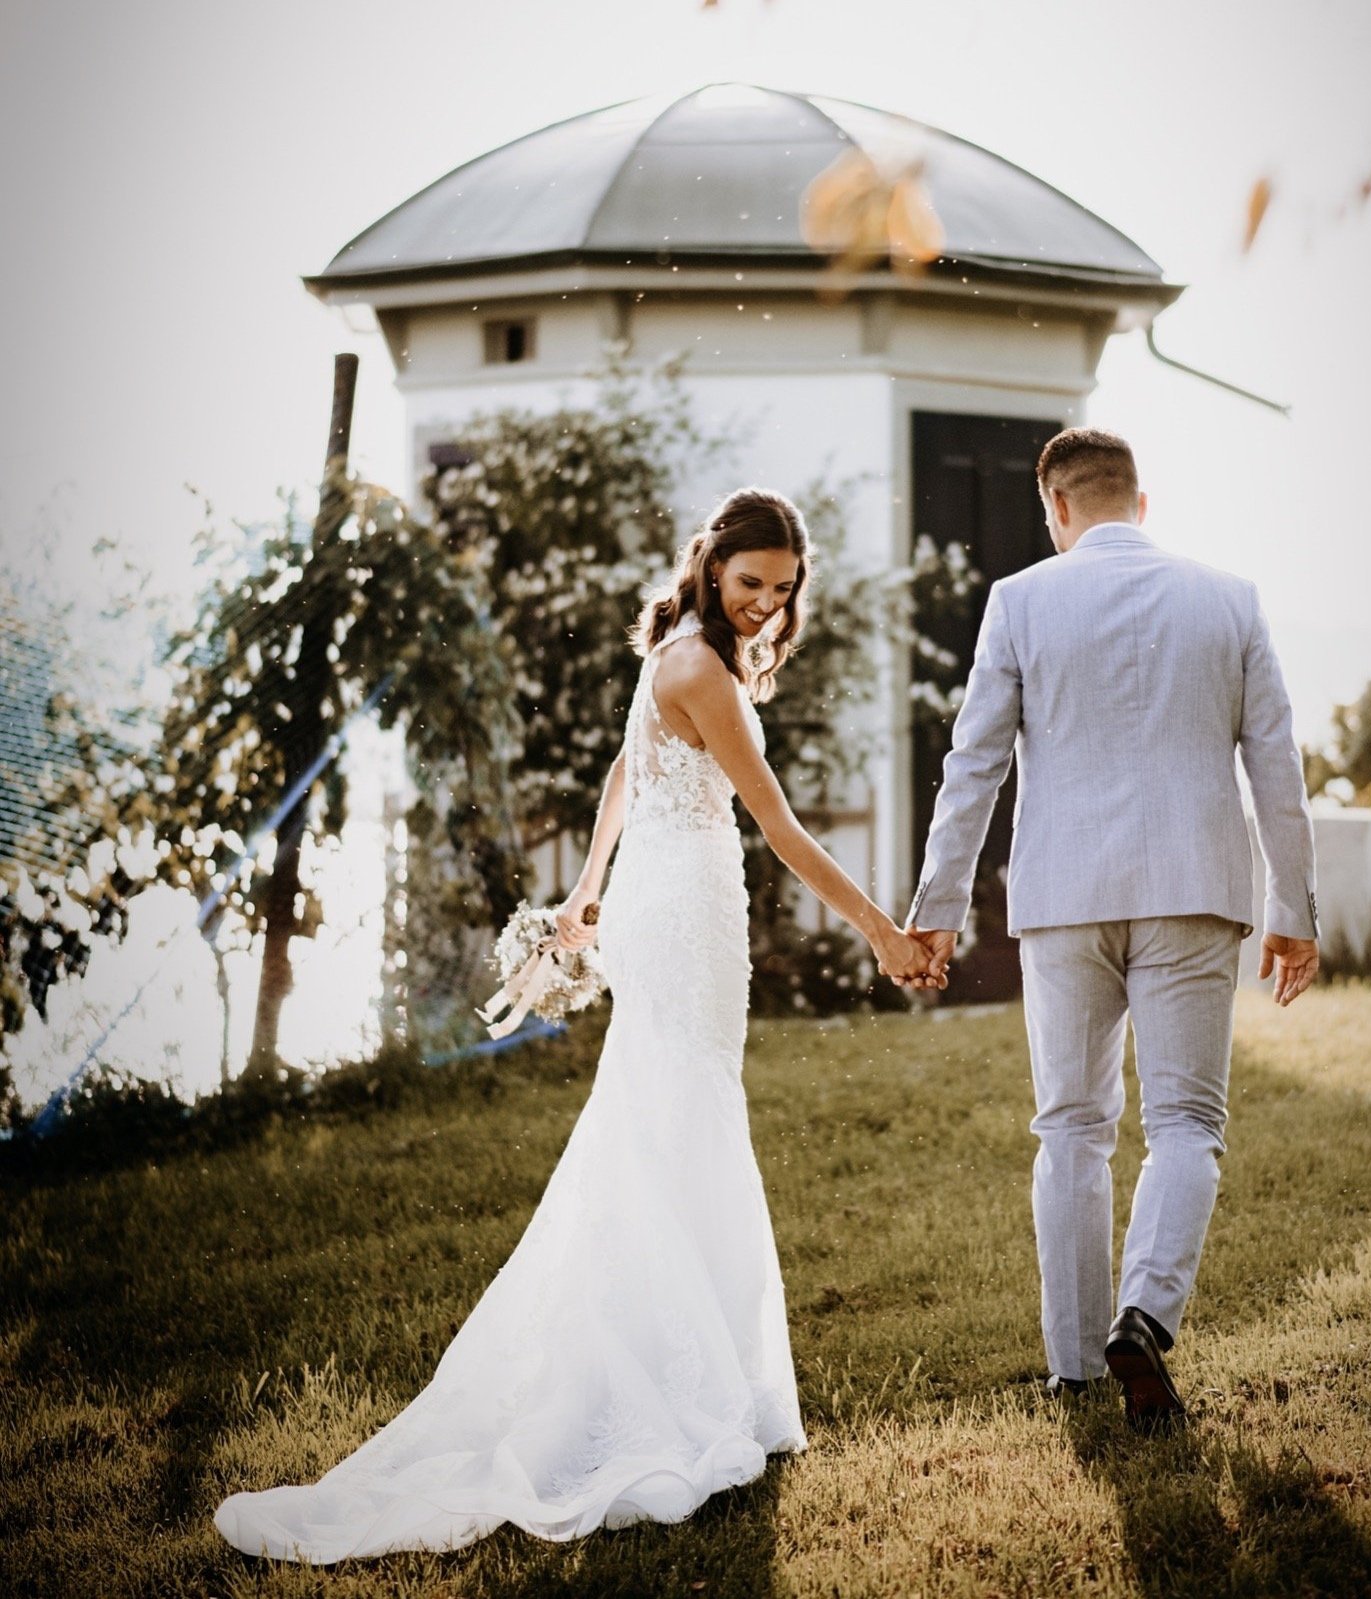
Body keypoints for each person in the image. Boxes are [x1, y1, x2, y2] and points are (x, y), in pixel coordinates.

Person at [213, 487, 939, 1561]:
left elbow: (627, 768)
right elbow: (778, 824)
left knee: (664, 1119)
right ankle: (666, 1386)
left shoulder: (683, 650)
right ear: (713, 566)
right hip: (684, 911)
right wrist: (880, 932)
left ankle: (680, 1363)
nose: (766, 604)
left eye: (783, 590)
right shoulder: (699, 666)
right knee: (681, 1114)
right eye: (751, 583)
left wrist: (587, 891)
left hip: (663, 897)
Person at [902, 426, 1320, 1430]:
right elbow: (1277, 766)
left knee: (1071, 1127)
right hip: (1194, 890)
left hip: (1064, 896)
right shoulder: (1229, 599)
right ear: (1140, 501)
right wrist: (1291, 911)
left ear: (1056, 507)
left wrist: (937, 910)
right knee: (1185, 1124)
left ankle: (1073, 1368)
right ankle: (1144, 1315)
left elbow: (973, 766)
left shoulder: (1019, 601)